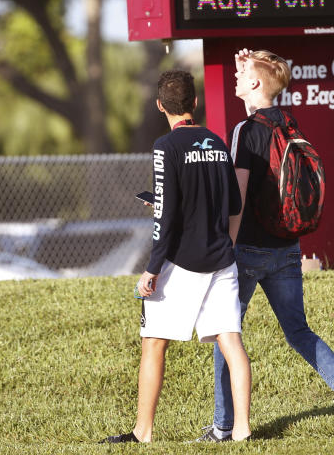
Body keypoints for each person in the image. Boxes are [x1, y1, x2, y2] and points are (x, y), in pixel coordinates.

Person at [200, 49, 334, 442]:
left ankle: (223, 425)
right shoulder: (288, 123)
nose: (236, 78)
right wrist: (247, 66)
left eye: (242, 73)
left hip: (247, 249)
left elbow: (239, 197)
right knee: (298, 331)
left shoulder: (246, 132)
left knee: (225, 333)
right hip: (287, 247)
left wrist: (224, 251)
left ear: (255, 84)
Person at [103, 70, 252, 443]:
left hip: (181, 262)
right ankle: (243, 431)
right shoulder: (217, 142)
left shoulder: (164, 147)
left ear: (159, 106)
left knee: (154, 342)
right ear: (194, 103)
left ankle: (143, 432)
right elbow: (233, 203)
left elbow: (166, 215)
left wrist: (151, 269)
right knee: (231, 342)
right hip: (222, 260)